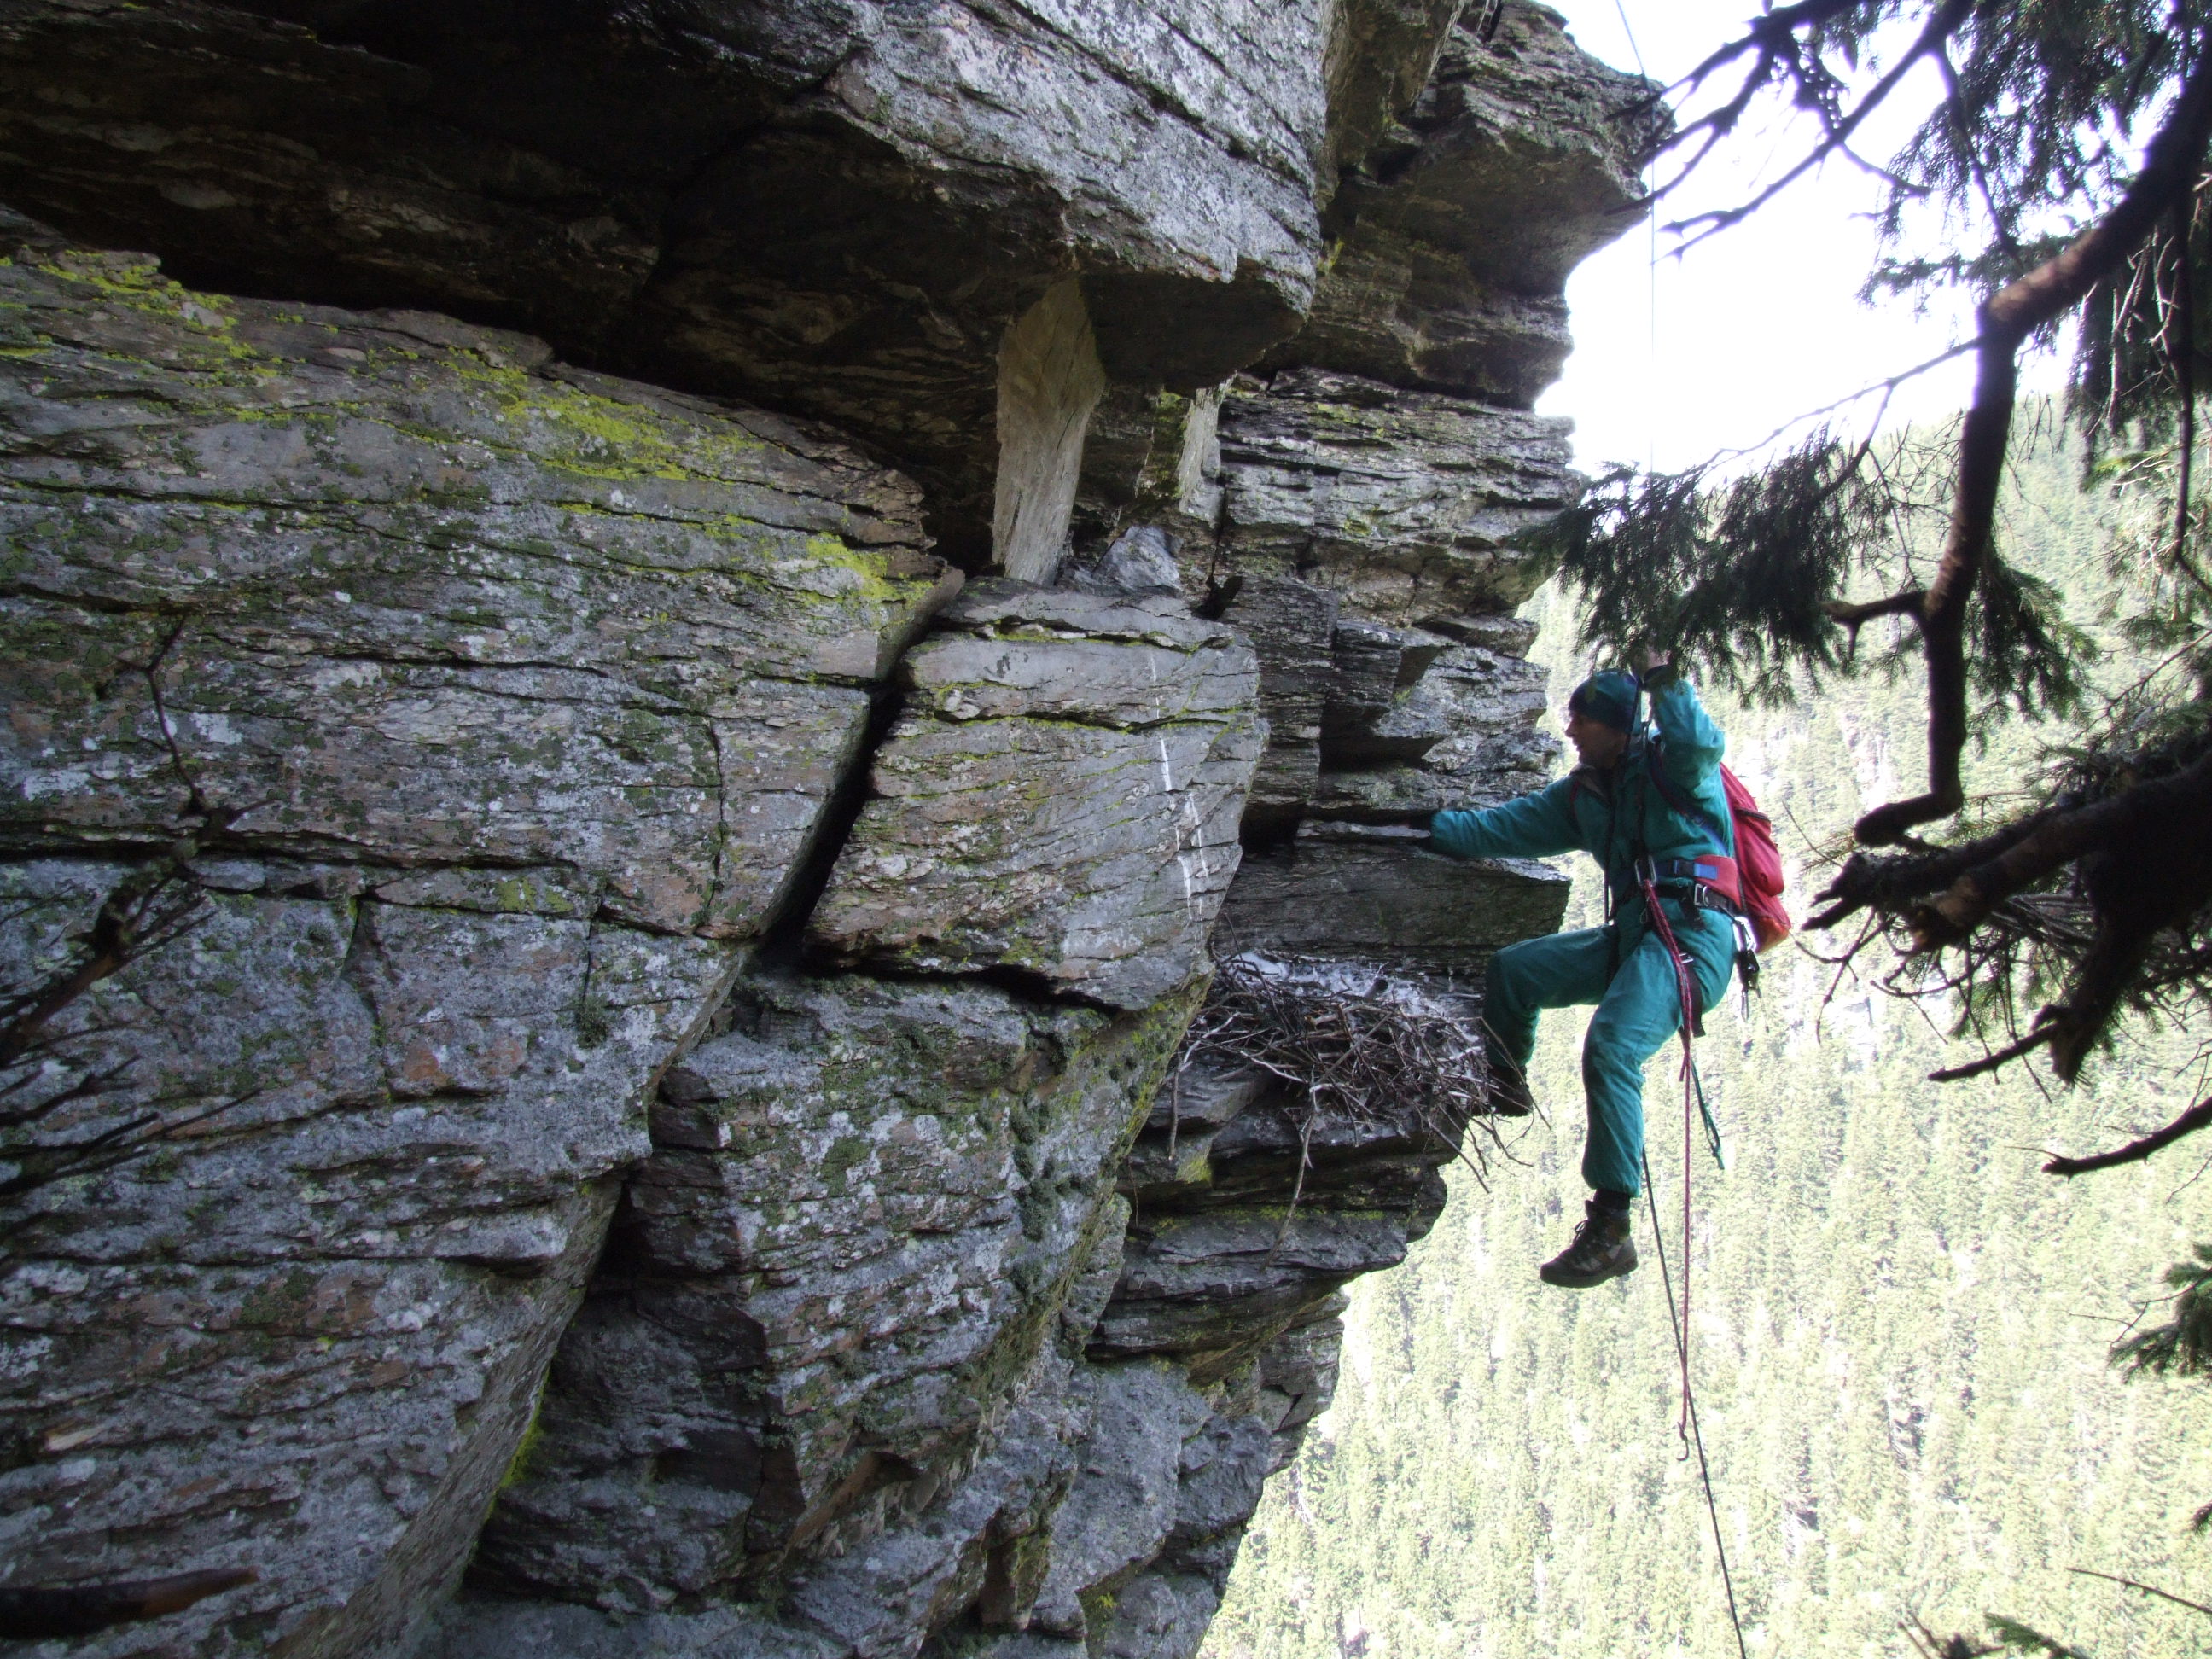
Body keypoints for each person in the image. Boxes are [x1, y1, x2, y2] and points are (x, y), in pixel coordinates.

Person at [1427, 651, 1738, 1289]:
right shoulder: (1587, 794)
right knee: (1515, 971)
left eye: (1582, 719)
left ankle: (1612, 1226)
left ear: (1619, 725)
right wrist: (1417, 826)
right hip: (1637, 938)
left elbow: (1699, 741)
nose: (1569, 729)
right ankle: (1504, 1084)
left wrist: (1665, 680)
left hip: (1692, 939)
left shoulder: (1674, 766)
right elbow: (1499, 829)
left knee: (1613, 1046)